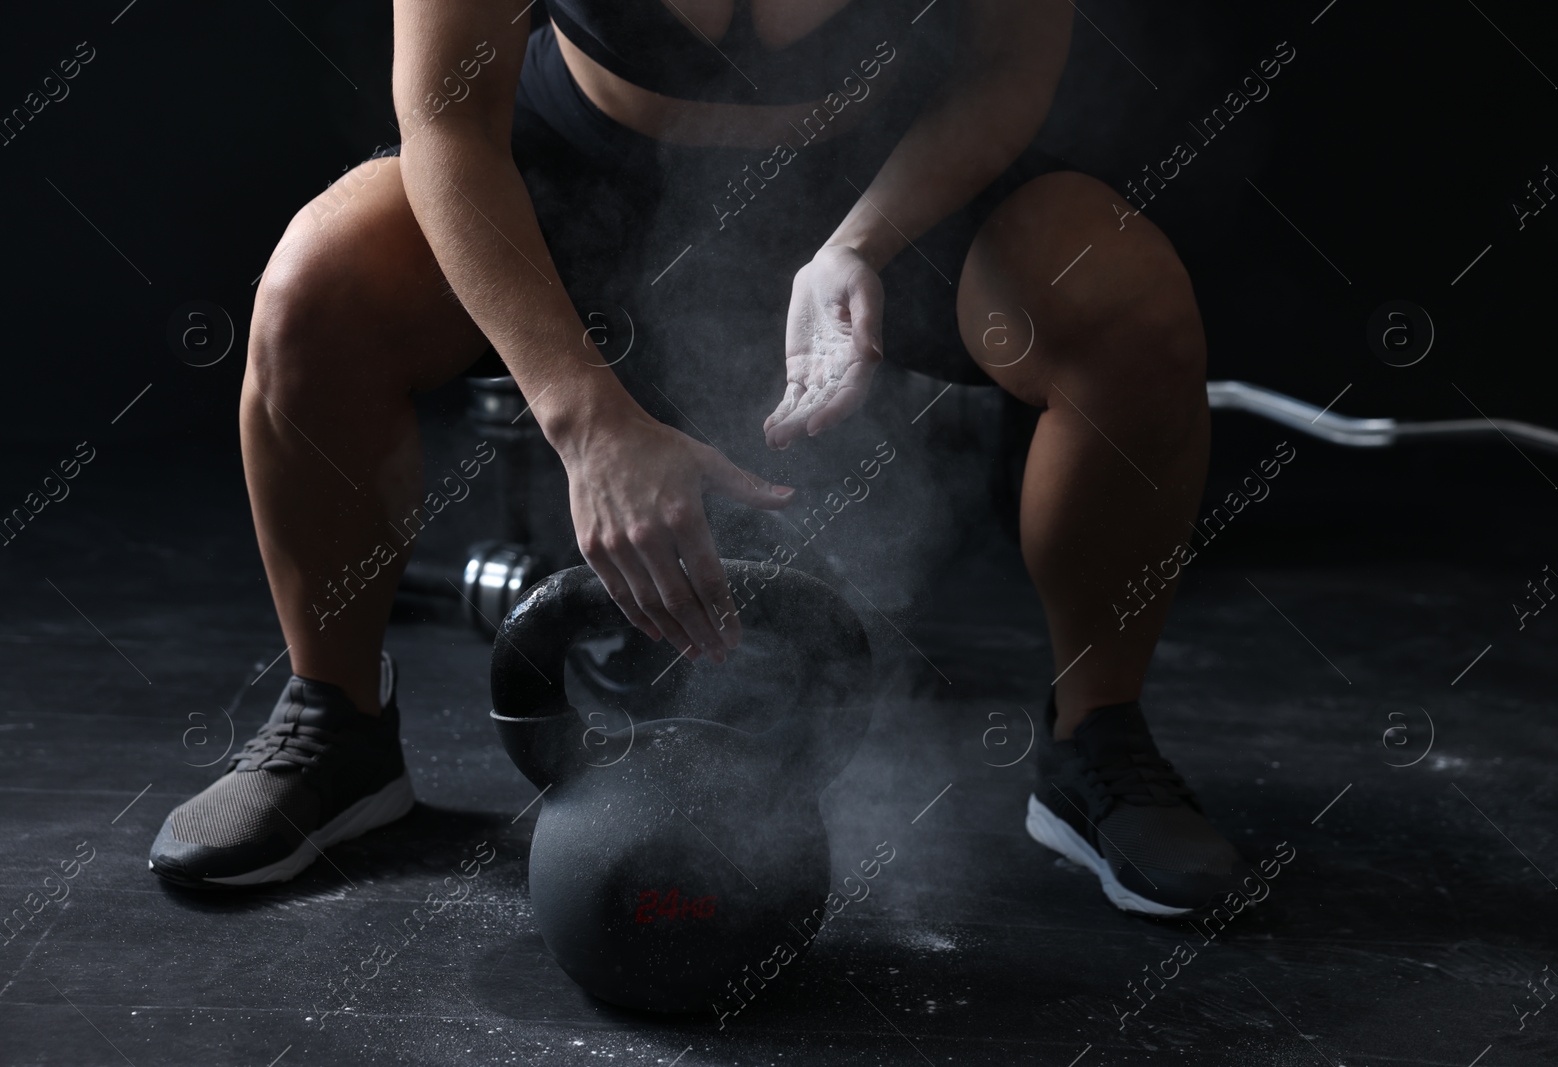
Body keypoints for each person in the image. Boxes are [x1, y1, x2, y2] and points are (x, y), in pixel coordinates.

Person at [149, 0, 1244, 915]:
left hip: (870, 184)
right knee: (317, 288)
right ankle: (336, 728)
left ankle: (1094, 737)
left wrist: (860, 242)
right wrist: (584, 417)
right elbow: (445, 118)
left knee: (1127, 304)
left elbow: (1007, 65)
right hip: (573, 177)